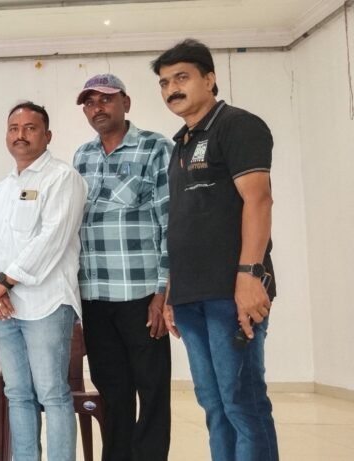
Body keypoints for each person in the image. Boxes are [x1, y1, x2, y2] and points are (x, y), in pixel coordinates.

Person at [153, 38, 279, 461]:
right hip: (191, 297)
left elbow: (259, 200)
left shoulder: (238, 125)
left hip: (231, 292)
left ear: (209, 79)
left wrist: (249, 275)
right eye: (164, 82)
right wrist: (173, 291)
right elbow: (185, 223)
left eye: (182, 77)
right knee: (213, 405)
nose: (172, 88)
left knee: (243, 402)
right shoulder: (181, 144)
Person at [72, 74, 173, 461]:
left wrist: (163, 293)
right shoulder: (82, 156)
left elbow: (170, 224)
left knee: (151, 389)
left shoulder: (155, 148)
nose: (97, 108)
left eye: (106, 99)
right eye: (89, 102)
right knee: (112, 390)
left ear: (125, 103)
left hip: (141, 294)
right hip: (95, 296)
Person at [0, 102, 86, 461]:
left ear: (47, 135)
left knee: (52, 393)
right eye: (14, 128)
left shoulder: (62, 178)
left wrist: (3, 282)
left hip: (47, 304)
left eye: (30, 128)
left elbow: (52, 239)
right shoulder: (1, 188)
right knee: (17, 393)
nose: (20, 135)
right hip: (5, 309)